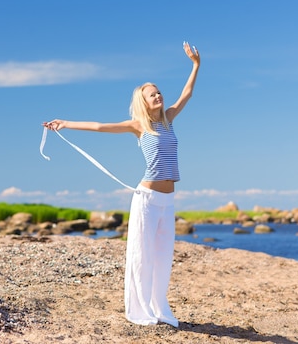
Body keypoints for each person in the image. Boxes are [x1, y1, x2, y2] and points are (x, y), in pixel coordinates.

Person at [42, 42, 200, 327]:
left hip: (168, 201)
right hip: (148, 198)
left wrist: (195, 65)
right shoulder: (138, 125)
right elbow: (100, 126)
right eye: (152, 94)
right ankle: (140, 311)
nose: (159, 96)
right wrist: (65, 123)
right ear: (144, 101)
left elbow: (187, 94)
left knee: (163, 257)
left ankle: (160, 308)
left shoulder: (169, 119)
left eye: (159, 92)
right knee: (142, 255)